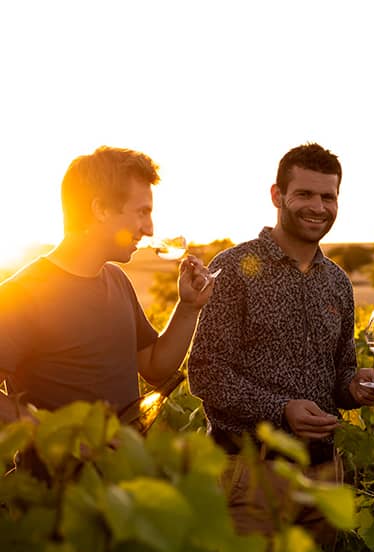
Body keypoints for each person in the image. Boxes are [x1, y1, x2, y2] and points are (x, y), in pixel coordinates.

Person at [187, 143, 374, 542]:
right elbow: (205, 373)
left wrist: (354, 385)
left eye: (328, 196)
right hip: (250, 471)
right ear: (277, 195)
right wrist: (281, 410)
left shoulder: (337, 282)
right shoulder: (233, 270)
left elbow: (339, 371)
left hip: (323, 474)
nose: (318, 207)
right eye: (305, 194)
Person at [0, 146, 214, 423]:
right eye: (142, 212)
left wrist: (188, 308)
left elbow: (153, 366)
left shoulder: (116, 280)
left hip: (124, 467)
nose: (149, 228)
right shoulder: (23, 294)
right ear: (100, 208)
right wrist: (63, 437)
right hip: (58, 469)